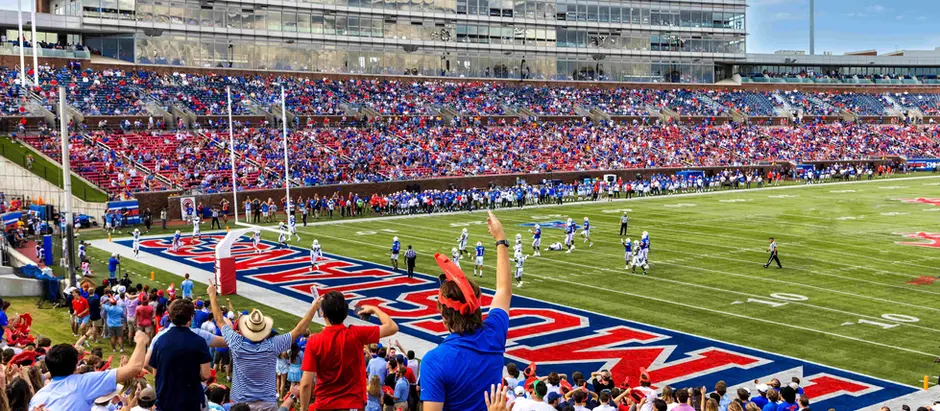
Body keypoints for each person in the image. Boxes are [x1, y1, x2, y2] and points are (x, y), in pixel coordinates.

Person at [421, 210, 512, 411]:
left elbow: (504, 291)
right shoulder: (494, 334)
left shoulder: (434, 361)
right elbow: (504, 290)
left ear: (444, 316)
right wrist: (500, 239)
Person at [209, 283, 319, 411]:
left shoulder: (236, 342)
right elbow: (298, 331)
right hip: (267, 404)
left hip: (240, 404)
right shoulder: (272, 345)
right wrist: (313, 308)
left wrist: (212, 295)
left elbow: (219, 319)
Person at [298, 290, 398, 411]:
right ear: (345, 314)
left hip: (325, 404)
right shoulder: (356, 334)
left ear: (323, 313)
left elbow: (306, 383)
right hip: (352, 404)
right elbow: (392, 327)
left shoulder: (315, 341)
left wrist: (303, 408)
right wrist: (375, 309)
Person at [28, 331, 149, 410]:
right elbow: (133, 368)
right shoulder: (83, 383)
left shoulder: (36, 399)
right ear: (76, 365)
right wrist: (141, 342)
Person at [148, 299, 213, 411]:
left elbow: (155, 373)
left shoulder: (160, 340)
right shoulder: (199, 341)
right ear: (191, 317)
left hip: (166, 398)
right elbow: (206, 374)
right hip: (190, 398)